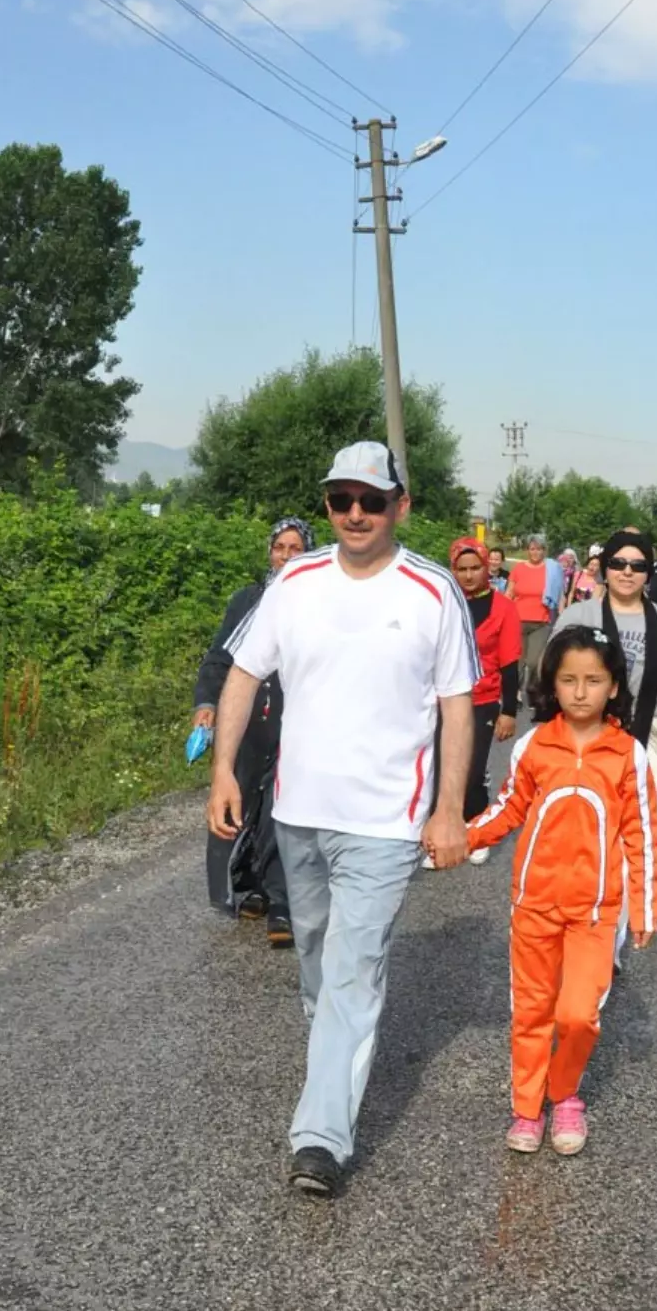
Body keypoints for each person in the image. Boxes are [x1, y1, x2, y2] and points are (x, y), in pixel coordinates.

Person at [208, 441, 477, 1197]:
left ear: (401, 505)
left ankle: (320, 1137)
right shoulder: (294, 581)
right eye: (340, 499)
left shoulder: (431, 592)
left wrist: (449, 810)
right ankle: (335, 1059)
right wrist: (224, 771)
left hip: (388, 822)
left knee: (353, 970)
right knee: (318, 963)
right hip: (297, 812)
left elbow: (459, 704)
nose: (355, 513)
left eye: (371, 499)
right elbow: (244, 671)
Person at [468, 628, 657, 1156]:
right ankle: (527, 1109)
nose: (581, 692)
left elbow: (641, 832)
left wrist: (644, 905)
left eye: (594, 680)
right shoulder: (536, 745)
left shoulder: (629, 754)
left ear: (615, 686)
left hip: (595, 913)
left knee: (578, 1013)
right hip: (533, 906)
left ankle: (566, 1092)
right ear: (551, 684)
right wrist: (463, 837)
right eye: (569, 680)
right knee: (531, 1010)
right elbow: (509, 807)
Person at [192, 517, 312, 946]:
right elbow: (221, 659)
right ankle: (250, 887)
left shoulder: (319, 604)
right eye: (280, 547)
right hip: (247, 721)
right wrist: (206, 704)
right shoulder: (248, 602)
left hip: (297, 722)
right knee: (241, 803)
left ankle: (283, 902)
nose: (286, 556)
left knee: (282, 807)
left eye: (296, 548)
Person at [552, 529, 657, 822]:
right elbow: (552, 682)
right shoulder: (577, 617)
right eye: (618, 563)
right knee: (581, 832)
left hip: (648, 738)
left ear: (648, 572)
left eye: (638, 565)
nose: (627, 572)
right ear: (606, 567)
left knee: (641, 835)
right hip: (582, 737)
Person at [445, 539, 522, 860]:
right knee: (443, 769)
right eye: (460, 569)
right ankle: (446, 829)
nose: (468, 575)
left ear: (486, 567)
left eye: (474, 568)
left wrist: (509, 711)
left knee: (473, 769)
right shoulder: (445, 602)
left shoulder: (503, 607)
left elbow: (509, 664)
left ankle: (476, 828)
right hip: (445, 698)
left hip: (484, 698)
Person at [507, 536, 554, 705]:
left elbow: (558, 593)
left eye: (539, 549)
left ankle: (532, 688)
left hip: (540, 622)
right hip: (517, 620)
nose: (535, 552)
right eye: (532, 549)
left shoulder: (550, 570)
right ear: (528, 550)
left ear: (544, 550)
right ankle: (516, 693)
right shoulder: (519, 568)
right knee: (517, 662)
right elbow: (509, 593)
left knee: (534, 661)